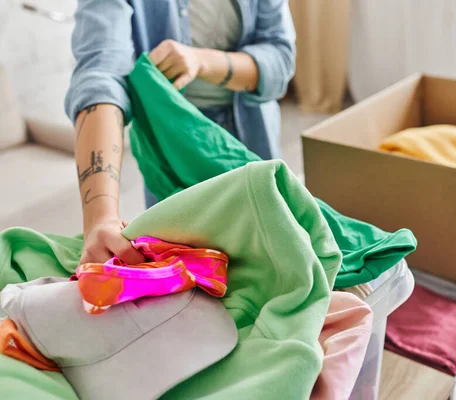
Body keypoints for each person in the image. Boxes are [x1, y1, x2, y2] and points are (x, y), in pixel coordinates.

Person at [65, 0, 296, 266]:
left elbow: (281, 59)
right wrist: (100, 218)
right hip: (169, 150)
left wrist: (202, 61)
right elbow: (100, 74)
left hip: (251, 133)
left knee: (273, 247)